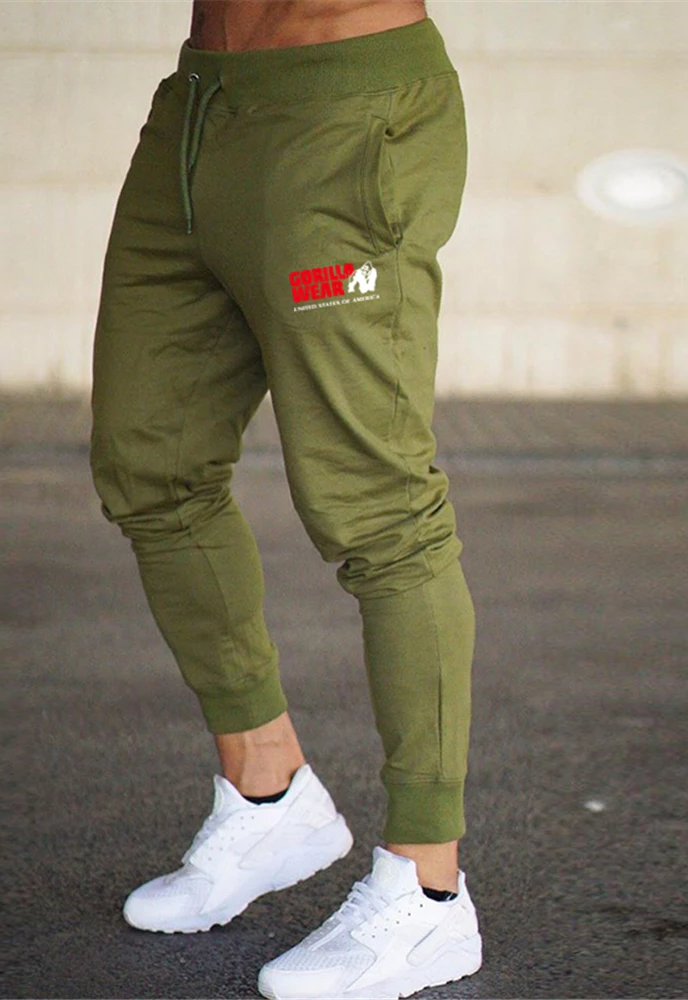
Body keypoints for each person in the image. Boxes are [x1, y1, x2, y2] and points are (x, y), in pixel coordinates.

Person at [89, 2, 481, 996]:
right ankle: (268, 795)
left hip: (345, 113)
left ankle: (429, 890)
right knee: (150, 462)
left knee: (376, 508)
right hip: (198, 110)